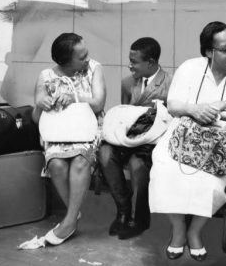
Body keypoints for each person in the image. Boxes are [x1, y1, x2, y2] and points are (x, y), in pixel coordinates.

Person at [148, 21, 226, 261]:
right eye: (225, 48)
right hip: (182, 135)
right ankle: (178, 230)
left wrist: (223, 104)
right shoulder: (190, 68)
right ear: (208, 52)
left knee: (210, 180)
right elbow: (174, 105)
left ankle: (195, 231)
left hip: (220, 142)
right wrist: (195, 110)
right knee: (165, 171)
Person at [32, 33, 106, 245]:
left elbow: (99, 103)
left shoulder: (94, 68)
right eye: (81, 57)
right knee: (56, 164)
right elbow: (37, 118)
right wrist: (42, 103)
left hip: (87, 130)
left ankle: (70, 220)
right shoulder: (46, 76)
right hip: (57, 132)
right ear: (64, 61)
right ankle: (74, 214)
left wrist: (75, 98)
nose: (87, 59)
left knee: (80, 160)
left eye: (86, 54)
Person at [98, 37, 172, 240]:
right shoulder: (127, 83)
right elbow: (124, 115)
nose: (130, 65)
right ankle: (122, 210)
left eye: (135, 61)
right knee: (104, 153)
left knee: (138, 165)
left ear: (150, 62)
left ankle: (138, 219)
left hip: (151, 143)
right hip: (127, 139)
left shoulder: (170, 83)